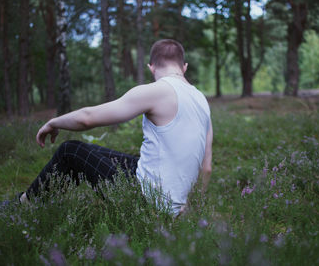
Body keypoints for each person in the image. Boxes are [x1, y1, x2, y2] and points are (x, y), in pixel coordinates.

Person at [11, 39, 213, 217]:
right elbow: (206, 167)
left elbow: (87, 119)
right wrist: (191, 208)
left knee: (70, 150)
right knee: (118, 158)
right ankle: (47, 204)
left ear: (151, 67)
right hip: (173, 207)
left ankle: (25, 205)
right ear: (184, 67)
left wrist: (53, 122)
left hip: (147, 202)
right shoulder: (202, 101)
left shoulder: (157, 90)